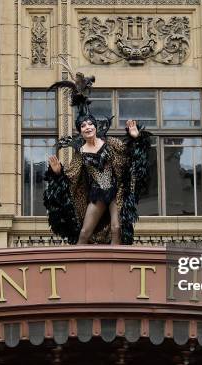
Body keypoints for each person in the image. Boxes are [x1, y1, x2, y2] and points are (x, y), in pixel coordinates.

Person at [43, 69, 151, 245]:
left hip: (116, 191)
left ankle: (116, 265)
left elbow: (130, 154)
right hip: (97, 194)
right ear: (80, 132)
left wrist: (135, 137)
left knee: (117, 228)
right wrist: (57, 173)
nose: (87, 127)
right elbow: (72, 176)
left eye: (90, 124)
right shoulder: (81, 152)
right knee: (85, 232)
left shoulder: (110, 143)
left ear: (95, 126)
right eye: (83, 126)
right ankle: (75, 264)